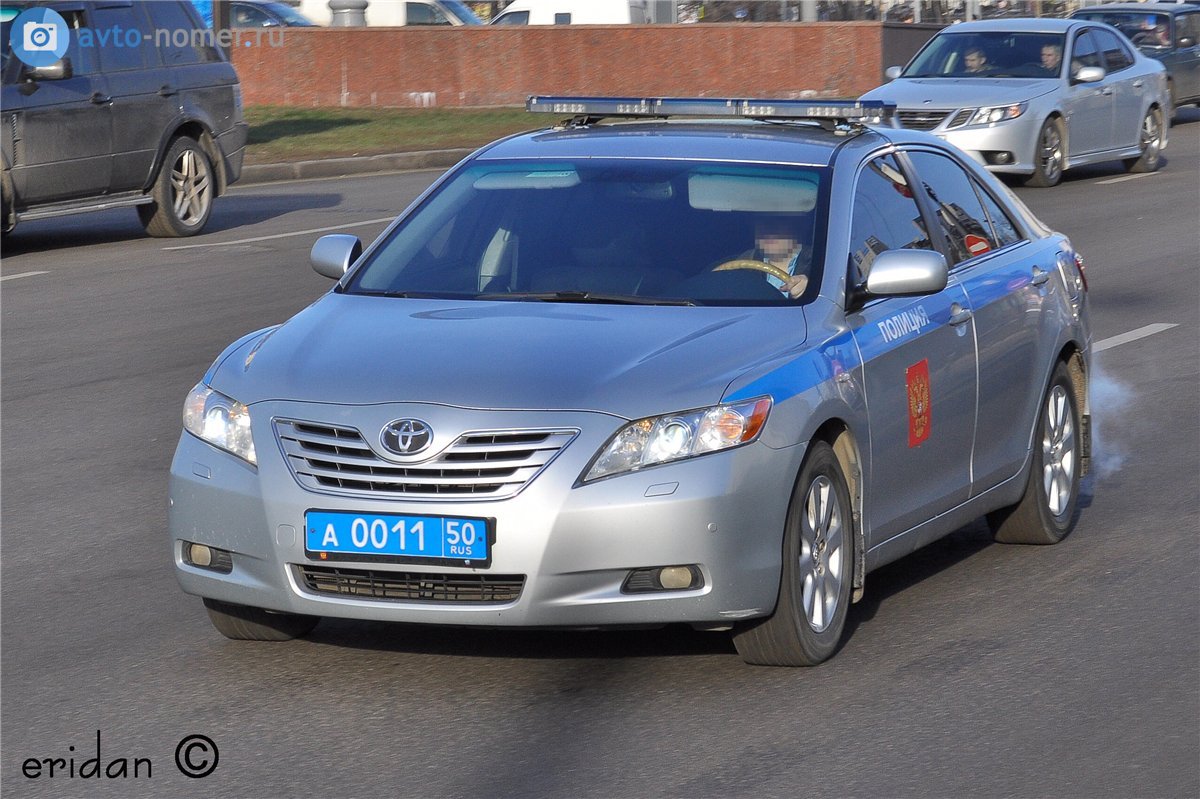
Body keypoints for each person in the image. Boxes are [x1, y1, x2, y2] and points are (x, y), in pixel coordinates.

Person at [717, 216, 811, 299]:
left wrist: (810, 288)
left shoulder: (819, 262)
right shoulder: (742, 263)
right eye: (763, 221)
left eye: (779, 220)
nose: (769, 229)